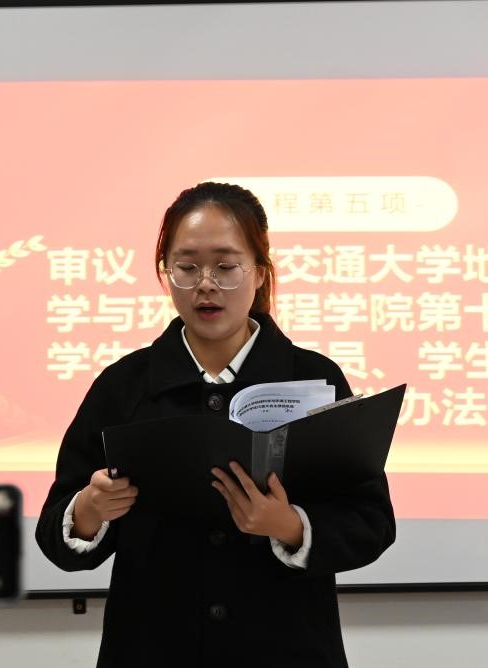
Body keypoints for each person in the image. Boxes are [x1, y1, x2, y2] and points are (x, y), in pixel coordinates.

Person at [36, 182, 395, 667]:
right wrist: (89, 509)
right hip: (152, 649)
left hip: (287, 649)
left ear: (260, 272)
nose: (205, 283)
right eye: (186, 267)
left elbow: (370, 520)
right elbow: (55, 534)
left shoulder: (314, 378)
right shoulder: (124, 385)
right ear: (165, 273)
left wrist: (289, 526)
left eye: (226, 267)